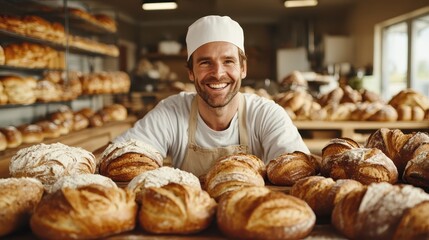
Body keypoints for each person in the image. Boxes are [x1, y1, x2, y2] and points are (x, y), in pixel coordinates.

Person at [113, 15, 309, 177]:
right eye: (206, 62)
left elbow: (297, 169)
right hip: (187, 219)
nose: (218, 73)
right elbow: (122, 157)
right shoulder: (172, 111)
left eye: (228, 61)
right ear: (191, 72)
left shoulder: (265, 114)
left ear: (243, 68)